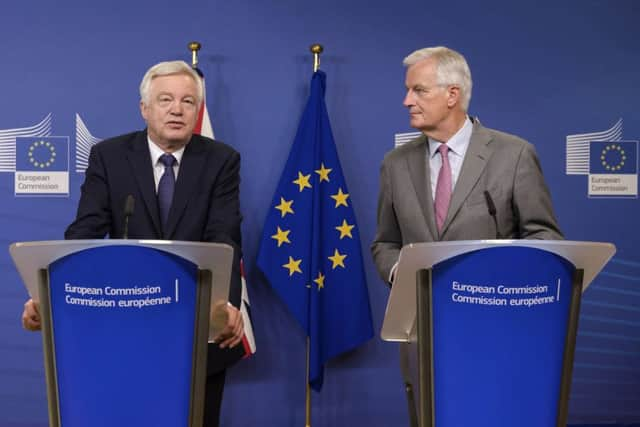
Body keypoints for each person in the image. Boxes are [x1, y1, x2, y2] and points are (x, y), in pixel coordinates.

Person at [21, 60, 244, 427]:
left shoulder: (221, 161)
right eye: (166, 99)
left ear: (197, 111)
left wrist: (223, 307)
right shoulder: (109, 157)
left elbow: (225, 237)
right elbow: (84, 233)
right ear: (144, 108)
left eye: (188, 102)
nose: (177, 109)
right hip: (122, 328)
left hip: (193, 328)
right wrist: (48, 295)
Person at [371, 46, 563, 284]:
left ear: (452, 95)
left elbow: (544, 237)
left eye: (419, 90)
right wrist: (399, 271)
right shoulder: (395, 164)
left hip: (491, 309)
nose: (407, 101)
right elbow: (386, 242)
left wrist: (501, 273)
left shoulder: (515, 155)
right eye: (408, 90)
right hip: (421, 313)